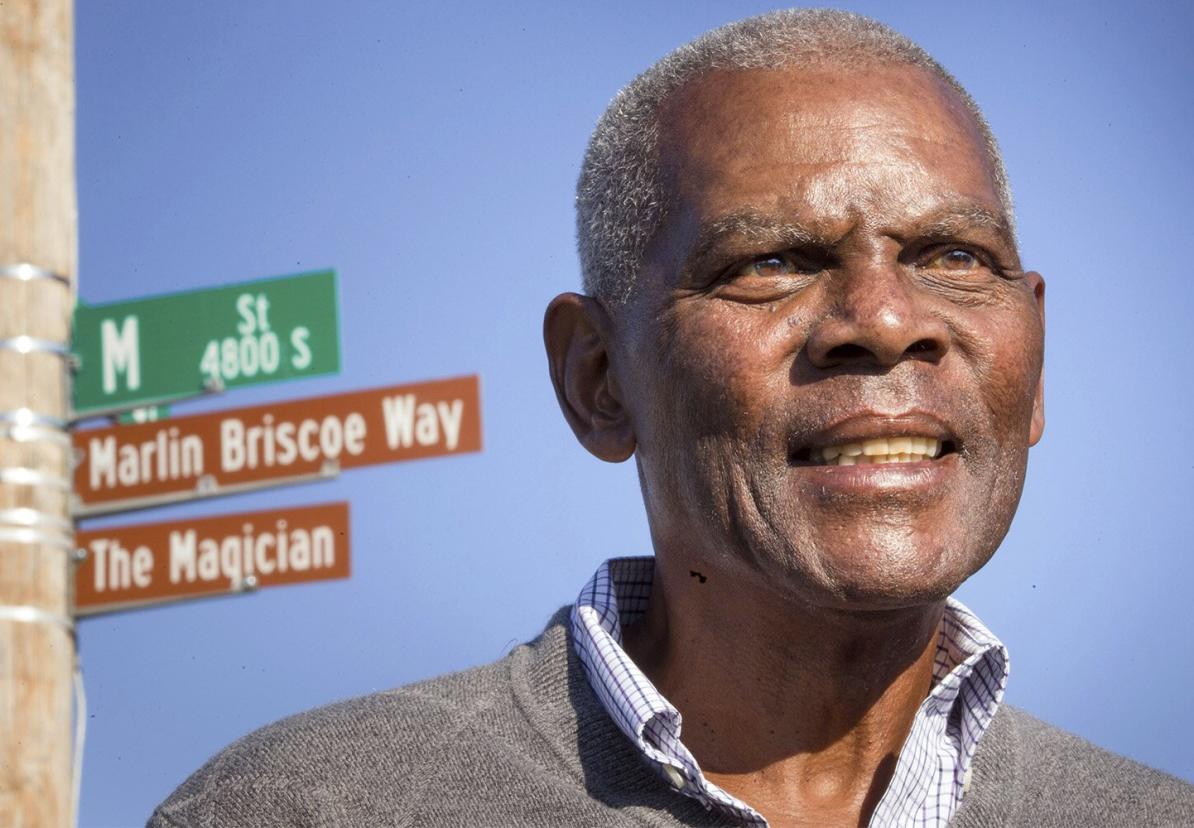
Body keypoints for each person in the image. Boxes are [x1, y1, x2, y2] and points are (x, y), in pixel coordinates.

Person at [149, 9, 1194, 827]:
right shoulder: (309, 811)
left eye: (954, 258)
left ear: (1038, 360)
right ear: (598, 378)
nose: (884, 320)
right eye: (771, 262)